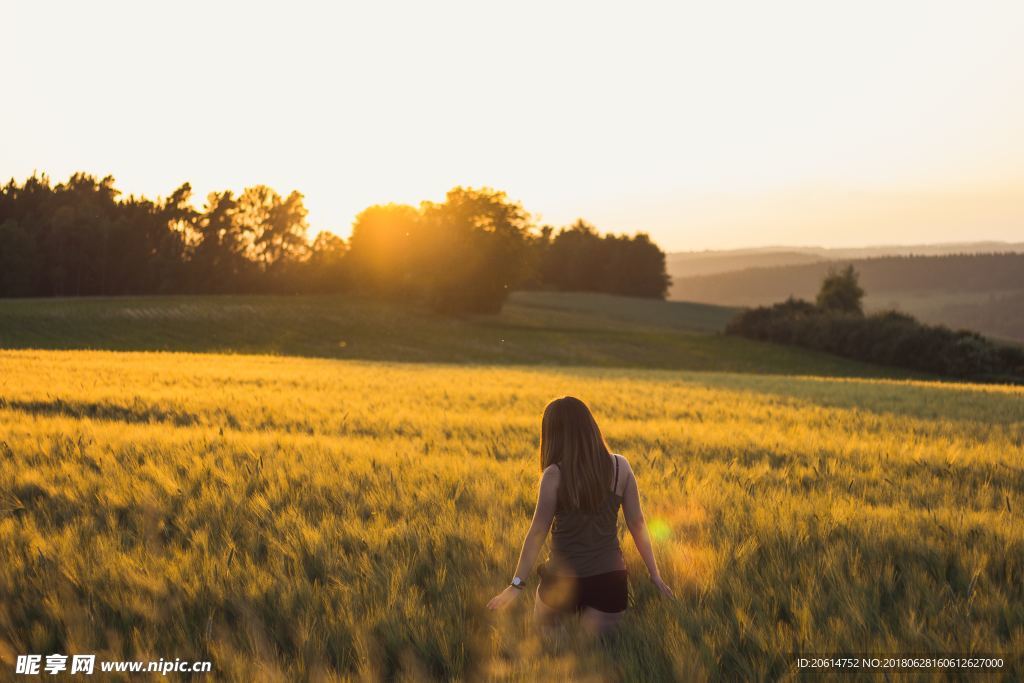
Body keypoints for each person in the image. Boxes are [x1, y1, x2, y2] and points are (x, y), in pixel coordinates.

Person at [486, 396, 674, 636]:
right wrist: (655, 575)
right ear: (590, 426)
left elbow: (537, 532)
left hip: (561, 581)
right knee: (600, 660)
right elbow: (637, 524)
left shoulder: (553, 475)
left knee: (551, 656)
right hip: (609, 582)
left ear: (553, 435)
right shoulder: (621, 467)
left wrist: (515, 586)